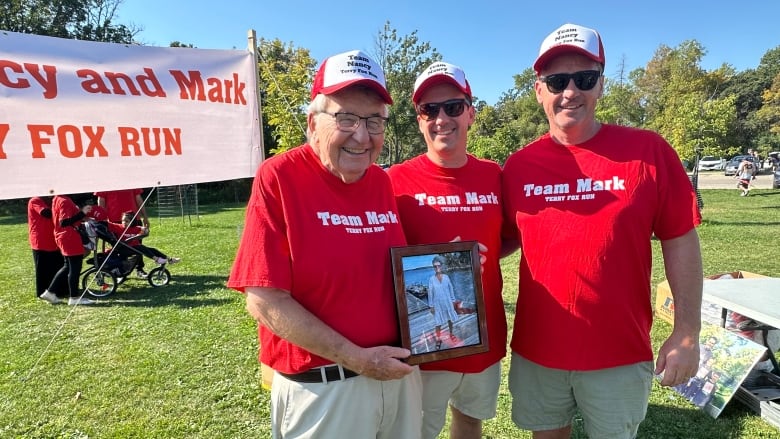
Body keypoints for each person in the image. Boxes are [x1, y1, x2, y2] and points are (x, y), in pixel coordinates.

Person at [502, 23, 703, 438]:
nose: (569, 91)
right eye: (557, 81)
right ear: (539, 90)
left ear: (601, 86)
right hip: (539, 352)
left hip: (618, 354)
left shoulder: (648, 151)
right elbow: (502, 237)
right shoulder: (518, 167)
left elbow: (680, 238)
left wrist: (686, 332)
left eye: (584, 79)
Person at [227, 49, 422, 438]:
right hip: (325, 391)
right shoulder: (279, 177)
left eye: (374, 121)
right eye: (345, 118)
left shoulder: (382, 183)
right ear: (312, 123)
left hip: (398, 380)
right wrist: (359, 359)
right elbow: (263, 300)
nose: (362, 136)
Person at [388, 61, 509, 439]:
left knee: (471, 420)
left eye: (453, 107)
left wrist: (469, 260)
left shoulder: (495, 175)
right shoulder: (393, 181)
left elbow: (512, 235)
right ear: (419, 119)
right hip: (422, 350)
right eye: (429, 109)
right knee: (417, 431)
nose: (442, 118)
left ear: (471, 113)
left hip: (483, 335)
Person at [40, 194, 95, 306]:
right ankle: (74, 297)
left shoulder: (57, 198)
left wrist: (82, 217)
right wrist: (82, 212)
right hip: (69, 236)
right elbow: (64, 222)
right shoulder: (64, 200)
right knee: (75, 267)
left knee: (68, 266)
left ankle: (50, 292)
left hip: (63, 236)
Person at [95, 189, 150, 277]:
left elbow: (138, 198)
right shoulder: (104, 180)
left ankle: (139, 268)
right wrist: (103, 219)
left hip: (134, 219)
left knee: (137, 246)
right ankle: (121, 270)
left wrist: (145, 217)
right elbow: (101, 200)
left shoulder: (130, 179)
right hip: (116, 221)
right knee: (120, 247)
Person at [105, 211, 180, 267]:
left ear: (132, 222)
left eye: (127, 221)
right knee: (141, 247)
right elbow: (108, 224)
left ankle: (169, 259)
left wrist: (146, 229)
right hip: (124, 248)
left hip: (134, 247)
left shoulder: (135, 228)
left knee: (152, 249)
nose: (124, 222)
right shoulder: (119, 227)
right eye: (123, 221)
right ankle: (156, 259)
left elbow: (143, 229)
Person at [28, 196, 64, 299]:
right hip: (40, 240)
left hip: (54, 239)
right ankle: (43, 291)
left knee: (57, 265)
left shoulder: (53, 201)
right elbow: (46, 213)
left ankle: (59, 290)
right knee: (43, 269)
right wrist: (61, 210)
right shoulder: (35, 200)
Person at [426, 257, 460, 351]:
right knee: (438, 323)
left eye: (438, 265)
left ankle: (451, 334)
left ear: (441, 266)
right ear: (433, 267)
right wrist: (431, 306)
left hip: (448, 302)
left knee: (450, 320)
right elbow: (430, 293)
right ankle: (438, 339)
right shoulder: (431, 279)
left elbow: (451, 289)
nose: (437, 267)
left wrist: (453, 300)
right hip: (437, 304)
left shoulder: (446, 277)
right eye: (435, 266)